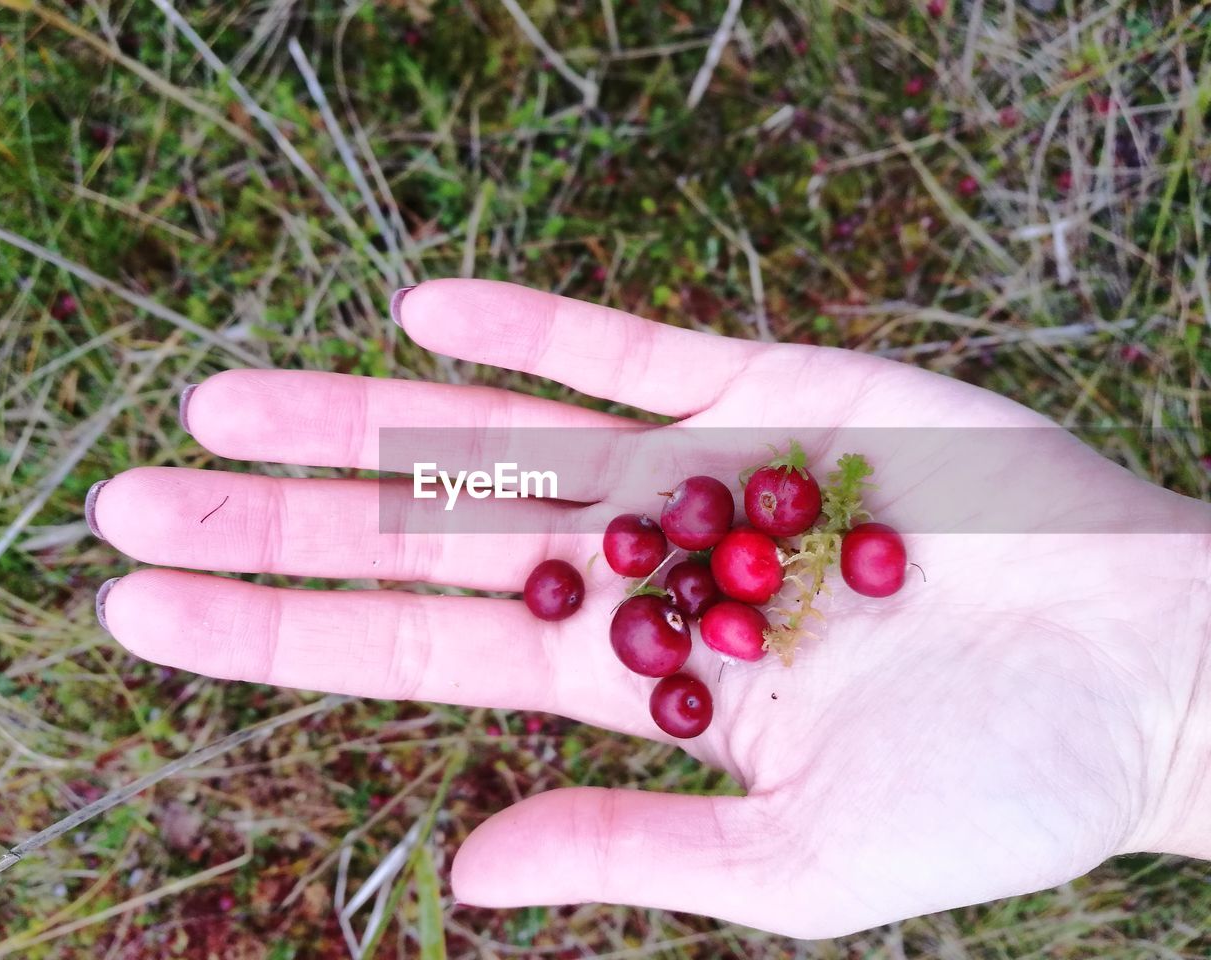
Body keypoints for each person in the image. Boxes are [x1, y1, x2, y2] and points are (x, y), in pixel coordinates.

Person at [86, 279, 1210, 939]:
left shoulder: (749, 555)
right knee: (455, 483)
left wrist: (1165, 675)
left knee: (473, 493)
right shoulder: (708, 563)